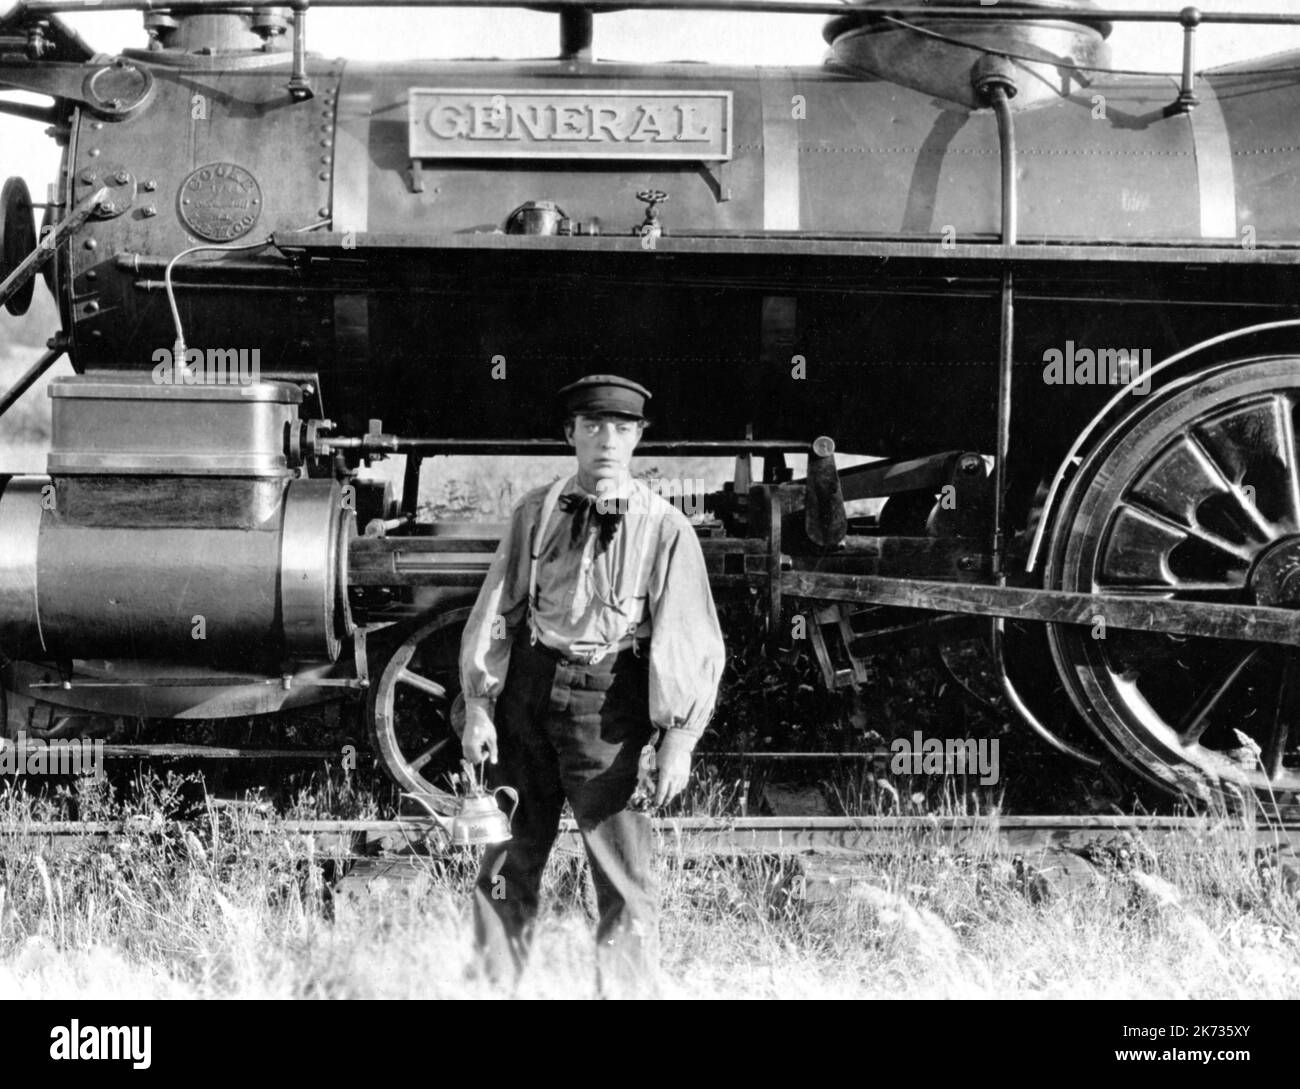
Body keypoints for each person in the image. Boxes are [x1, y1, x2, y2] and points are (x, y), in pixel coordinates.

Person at [458, 374, 726, 996]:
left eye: (622, 429)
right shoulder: (537, 510)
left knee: (623, 878)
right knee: (506, 863)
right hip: (527, 694)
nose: (607, 441)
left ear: (638, 438)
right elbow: (499, 608)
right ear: (571, 434)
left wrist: (679, 739)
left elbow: (686, 635)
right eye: (594, 427)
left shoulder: (665, 528)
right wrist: (479, 705)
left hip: (607, 705)